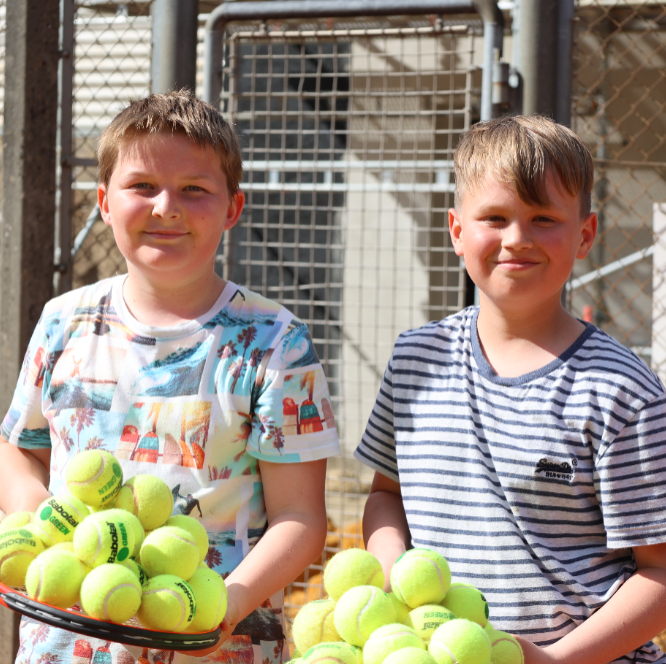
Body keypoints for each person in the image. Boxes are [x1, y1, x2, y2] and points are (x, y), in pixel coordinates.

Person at [0, 91, 340, 664]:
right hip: (65, 646)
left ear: (232, 209)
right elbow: (18, 452)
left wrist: (222, 605)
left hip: (216, 645)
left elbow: (300, 518)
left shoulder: (277, 342)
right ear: (104, 202)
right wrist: (51, 534)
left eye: (194, 190)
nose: (166, 207)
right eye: (142, 187)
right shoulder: (64, 320)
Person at [356, 115, 666, 663]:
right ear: (456, 231)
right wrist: (391, 573)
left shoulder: (622, 393)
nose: (517, 239)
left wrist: (553, 661)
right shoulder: (414, 359)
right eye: (495, 217)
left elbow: (660, 572)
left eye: (543, 218)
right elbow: (386, 496)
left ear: (585, 236)